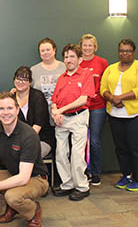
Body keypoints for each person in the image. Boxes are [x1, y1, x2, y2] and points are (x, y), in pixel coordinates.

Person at [0, 92, 49, 227]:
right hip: (13, 173)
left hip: (36, 178)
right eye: (1, 109)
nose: (6, 113)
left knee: (12, 196)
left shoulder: (28, 135)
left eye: (10, 108)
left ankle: (34, 211)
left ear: (17, 110)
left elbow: (23, 178)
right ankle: (11, 208)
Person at [100, 38, 138, 192]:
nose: (125, 53)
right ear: (118, 52)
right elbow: (103, 87)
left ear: (133, 52)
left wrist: (120, 98)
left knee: (135, 148)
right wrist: (112, 99)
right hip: (116, 114)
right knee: (121, 148)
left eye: (128, 51)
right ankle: (126, 175)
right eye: (122, 50)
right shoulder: (111, 68)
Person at [51, 44, 95, 201]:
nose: (68, 60)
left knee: (77, 154)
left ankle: (82, 187)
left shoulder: (86, 75)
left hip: (79, 117)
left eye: (72, 57)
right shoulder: (62, 78)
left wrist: (60, 110)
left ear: (80, 59)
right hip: (62, 120)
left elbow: (83, 99)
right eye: (66, 57)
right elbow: (54, 100)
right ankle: (67, 184)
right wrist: (55, 113)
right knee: (61, 154)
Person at [79, 34, 108, 186]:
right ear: (81, 46)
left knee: (95, 140)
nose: (87, 48)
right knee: (80, 141)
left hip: (98, 107)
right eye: (85, 45)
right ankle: (82, 171)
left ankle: (95, 172)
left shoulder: (102, 62)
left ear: (94, 47)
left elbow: (106, 83)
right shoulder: (77, 62)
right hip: (81, 107)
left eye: (90, 45)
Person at [12, 66, 54, 158]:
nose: (20, 82)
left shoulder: (38, 96)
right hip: (17, 141)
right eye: (18, 79)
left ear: (30, 82)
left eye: (24, 79)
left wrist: (21, 144)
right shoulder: (11, 98)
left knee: (27, 155)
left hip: (41, 139)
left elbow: (37, 126)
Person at [31, 37, 66, 117]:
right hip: (41, 114)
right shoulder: (34, 70)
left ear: (54, 50)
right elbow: (27, 90)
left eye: (48, 49)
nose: (45, 53)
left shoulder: (65, 67)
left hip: (62, 114)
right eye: (42, 51)